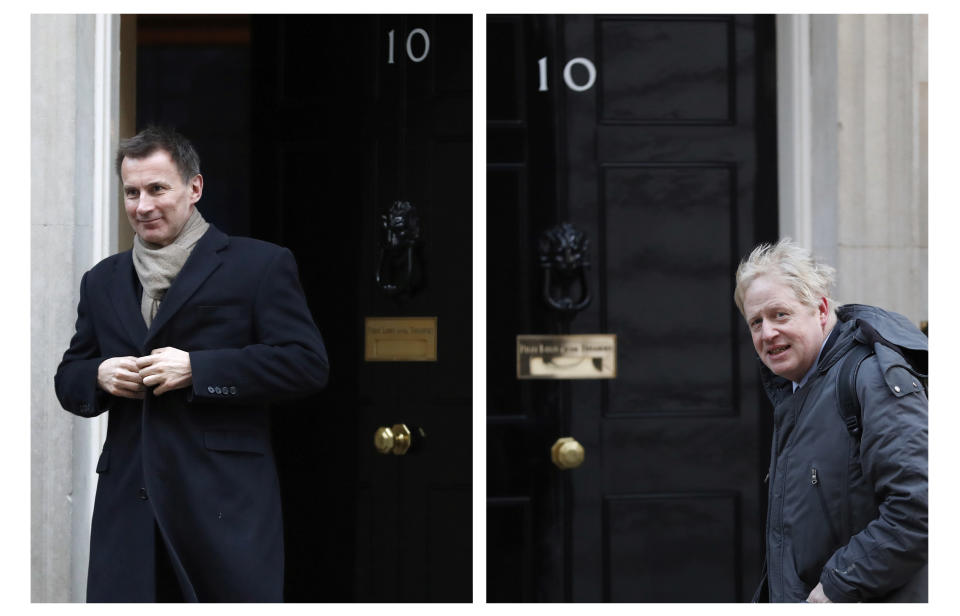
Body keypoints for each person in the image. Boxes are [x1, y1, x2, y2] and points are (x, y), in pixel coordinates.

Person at [54, 126, 329, 602]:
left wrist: (199, 370)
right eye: (132, 192)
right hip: (129, 508)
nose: (143, 206)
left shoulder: (260, 265)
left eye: (157, 189)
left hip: (223, 507)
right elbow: (69, 377)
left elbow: (305, 363)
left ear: (194, 188)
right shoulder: (102, 280)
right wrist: (98, 376)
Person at [734, 238, 927, 603]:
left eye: (780, 314)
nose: (767, 333)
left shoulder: (870, 379)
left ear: (821, 310)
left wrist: (837, 586)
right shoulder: (794, 389)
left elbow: (920, 509)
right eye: (755, 322)